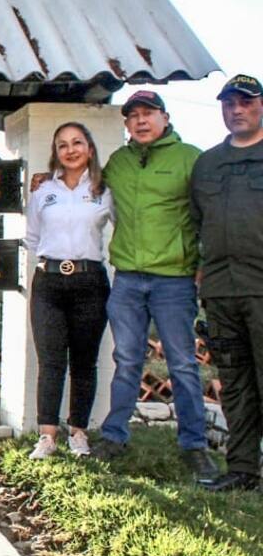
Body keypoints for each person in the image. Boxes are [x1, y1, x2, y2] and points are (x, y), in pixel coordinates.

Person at [91, 90, 219, 482]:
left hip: (174, 280)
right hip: (128, 279)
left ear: (165, 117)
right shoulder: (119, 162)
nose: (141, 121)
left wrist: (202, 264)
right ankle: (114, 436)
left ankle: (194, 446)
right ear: (127, 124)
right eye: (133, 116)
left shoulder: (190, 158)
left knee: (182, 363)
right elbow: (85, 187)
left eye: (149, 113)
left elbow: (210, 213)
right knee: (126, 361)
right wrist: (46, 178)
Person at [190, 74, 263, 492]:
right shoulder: (207, 164)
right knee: (235, 385)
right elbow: (198, 223)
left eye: (246, 102)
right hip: (221, 292)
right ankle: (243, 470)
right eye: (229, 103)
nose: (237, 110)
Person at [25, 123, 114, 459]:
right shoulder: (43, 190)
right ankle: (47, 436)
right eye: (62, 145)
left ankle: (78, 433)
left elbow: (122, 227)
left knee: (84, 361)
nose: (70, 150)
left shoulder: (105, 190)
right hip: (49, 283)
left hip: (90, 283)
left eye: (77, 143)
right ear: (55, 152)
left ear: (89, 148)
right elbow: (32, 237)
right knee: (50, 361)